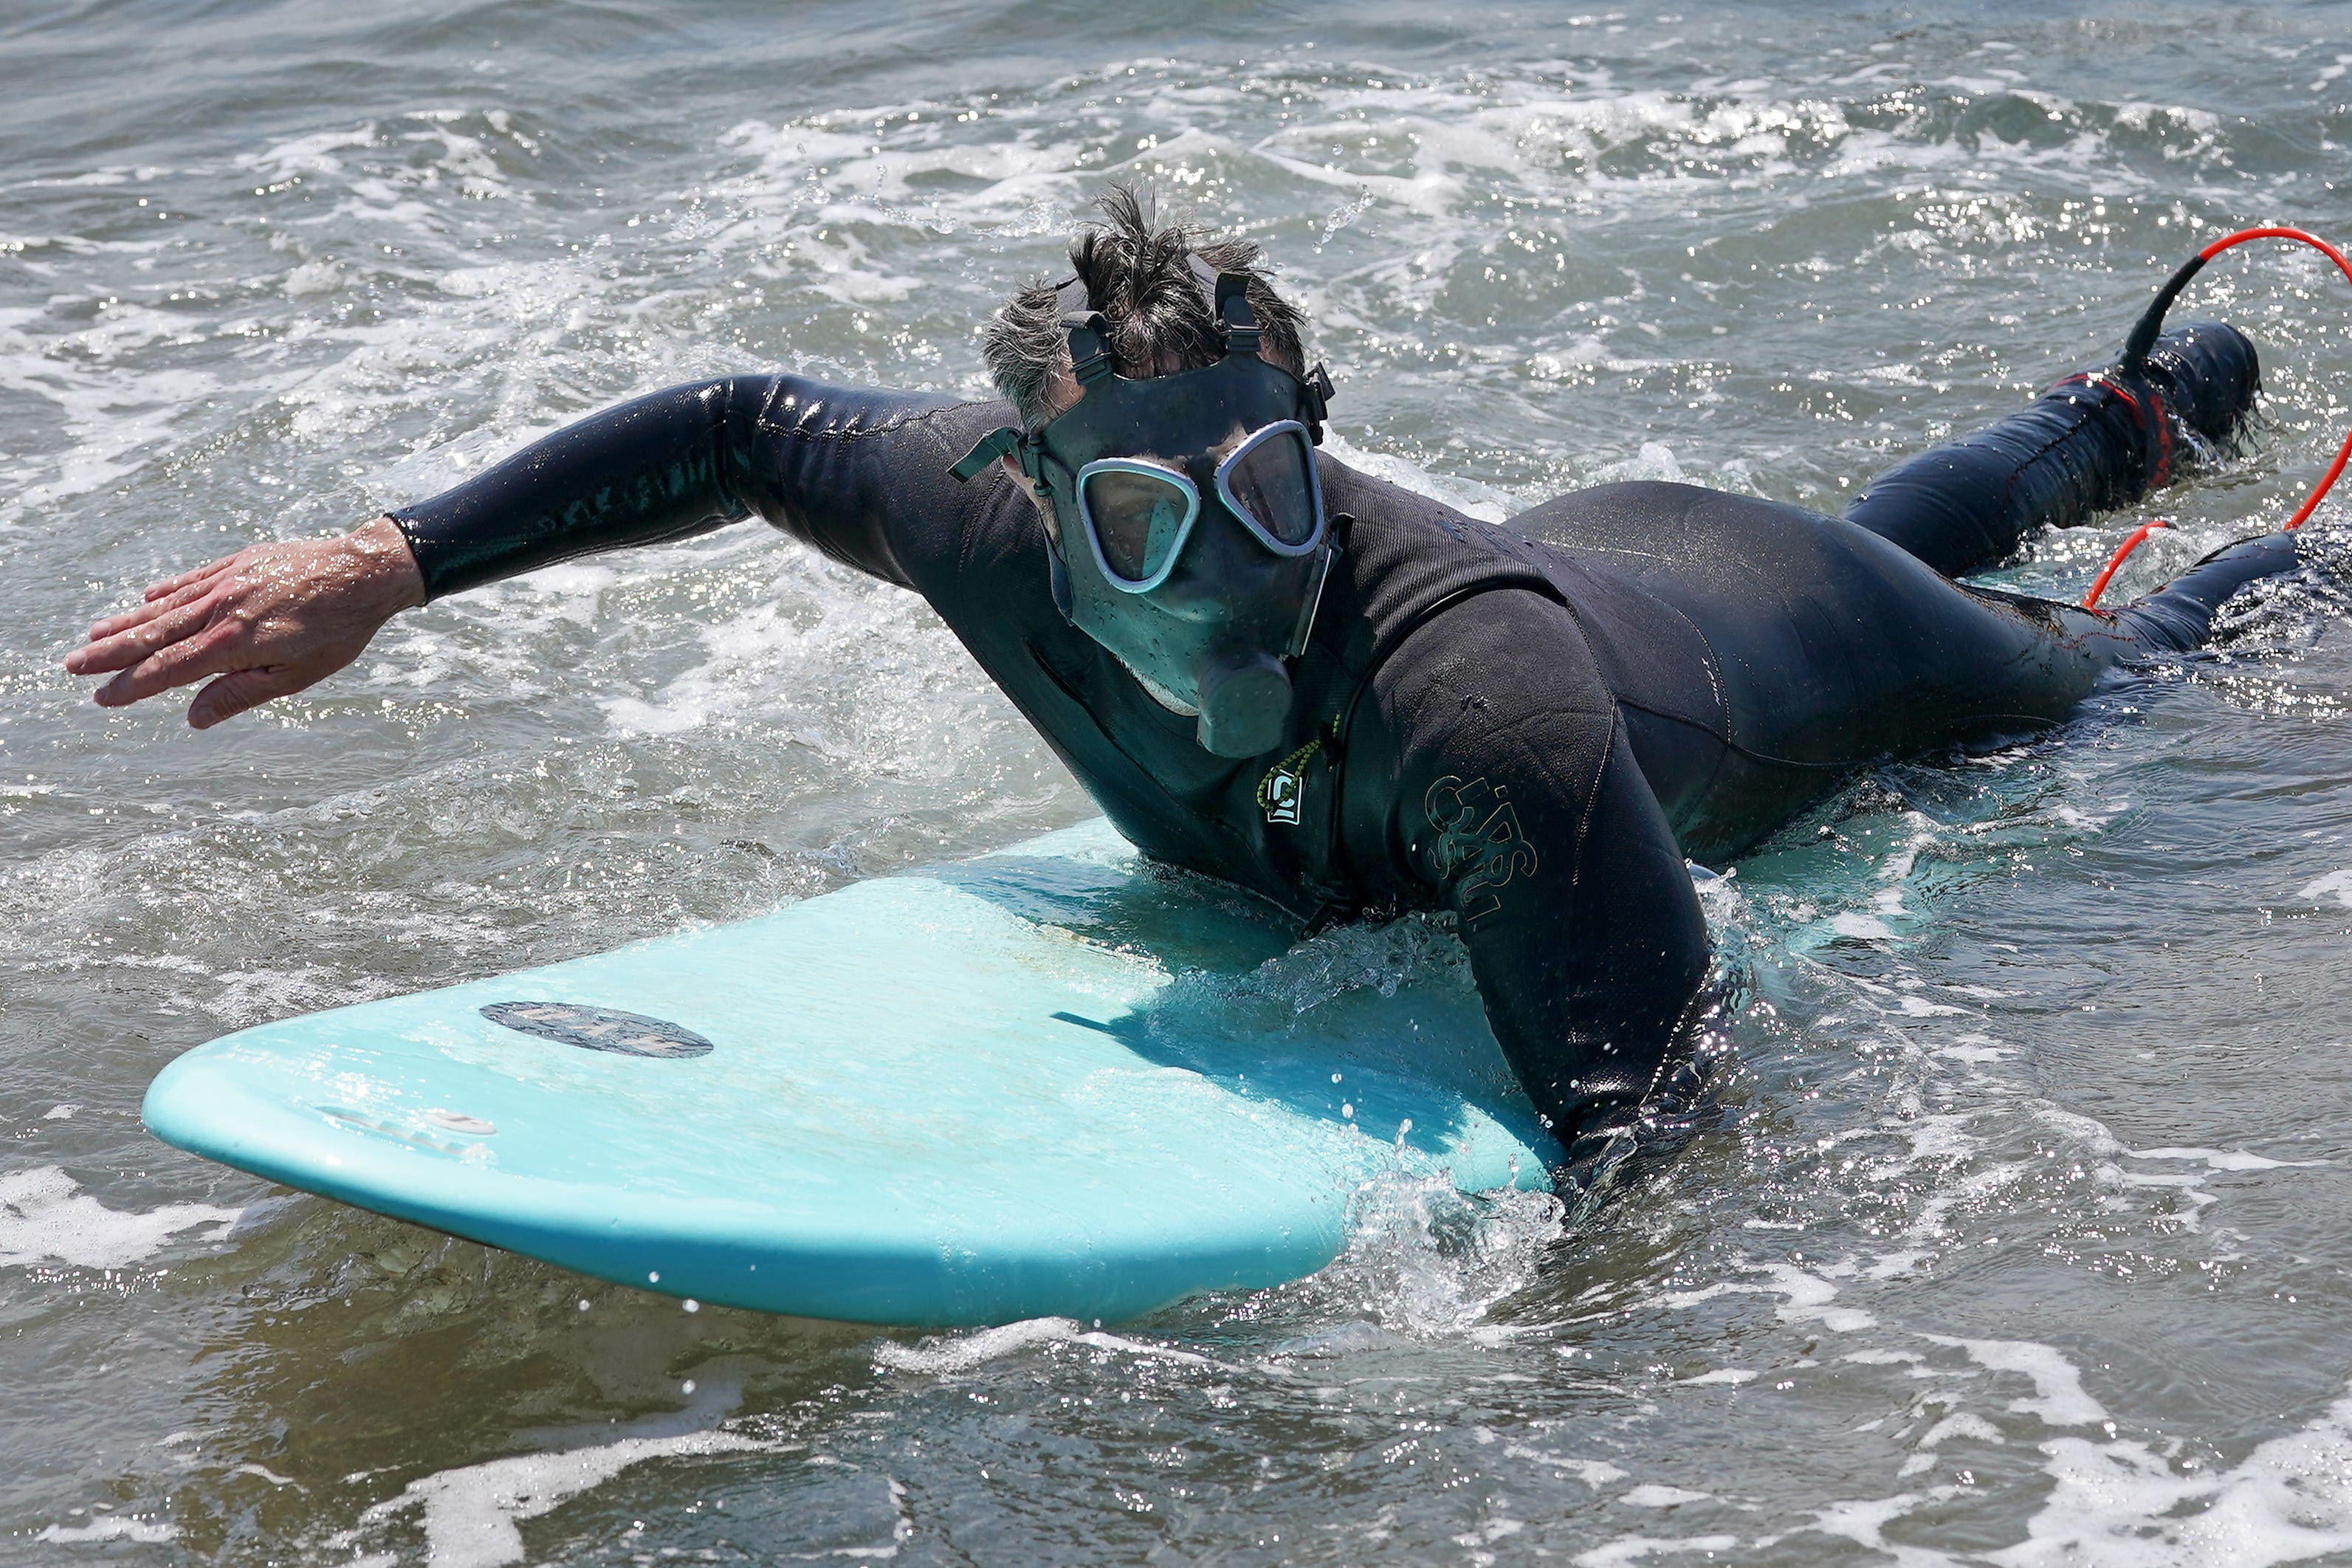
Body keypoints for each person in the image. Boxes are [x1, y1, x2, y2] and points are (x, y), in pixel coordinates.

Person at [64, 186, 2298, 1195]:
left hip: (1755, 670)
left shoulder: (1483, 729)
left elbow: (1666, 1149)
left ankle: (2254, 516)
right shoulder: (968, 512)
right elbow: (743, 420)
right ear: (1038, 500)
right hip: (1652, 544)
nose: (1217, 563)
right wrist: (397, 559)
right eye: (1139, 524)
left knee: (2105, 672)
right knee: (1855, 529)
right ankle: (2113, 414)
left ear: (1316, 444)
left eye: (1264, 485)